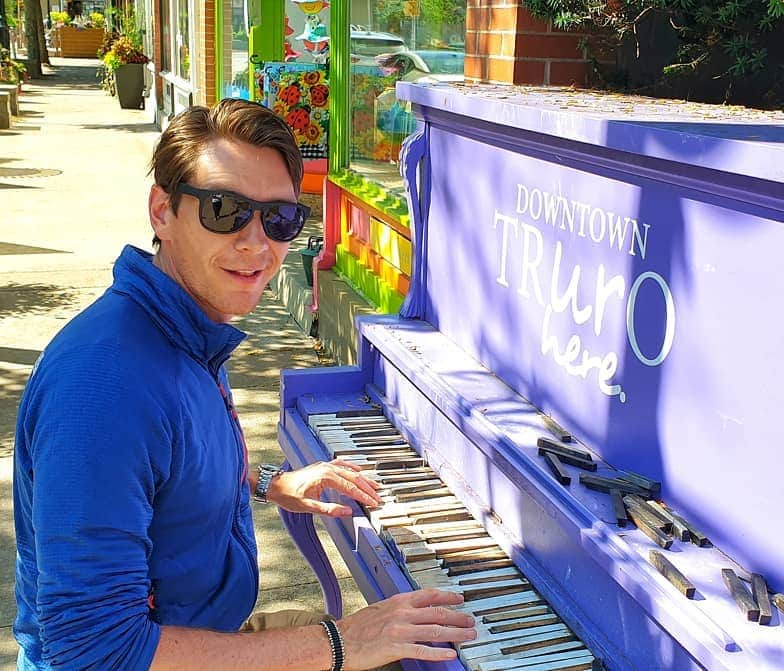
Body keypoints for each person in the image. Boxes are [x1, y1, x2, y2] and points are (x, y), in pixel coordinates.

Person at [12, 98, 476, 671]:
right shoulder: (104, 386)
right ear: (162, 211)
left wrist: (264, 483)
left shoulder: (189, 319)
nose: (257, 244)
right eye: (224, 209)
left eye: (280, 218)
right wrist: (343, 644)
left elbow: (166, 466)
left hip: (203, 628)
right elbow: (93, 651)